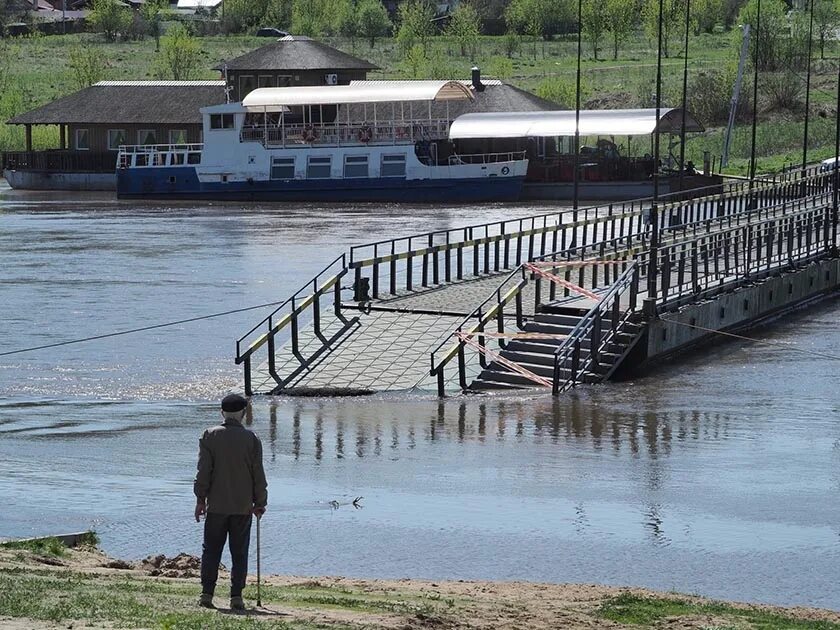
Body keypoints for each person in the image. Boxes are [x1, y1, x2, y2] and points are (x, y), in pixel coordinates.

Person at [194, 393, 267, 610]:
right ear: (243, 414)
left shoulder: (209, 435)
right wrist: (260, 502)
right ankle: (236, 596)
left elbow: (203, 471)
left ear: (222, 412)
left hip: (216, 505)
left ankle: (207, 593)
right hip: (242, 506)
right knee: (240, 551)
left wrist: (200, 499)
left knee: (211, 550)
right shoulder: (252, 439)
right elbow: (258, 474)